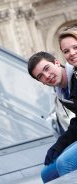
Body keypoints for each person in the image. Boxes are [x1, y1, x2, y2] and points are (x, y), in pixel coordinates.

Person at [27, 51, 77, 183]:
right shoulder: (60, 91)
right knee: (47, 173)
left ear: (56, 62)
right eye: (40, 76)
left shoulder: (75, 76)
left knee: (64, 162)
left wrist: (59, 145)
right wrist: (58, 145)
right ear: (41, 82)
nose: (47, 76)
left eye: (46, 68)